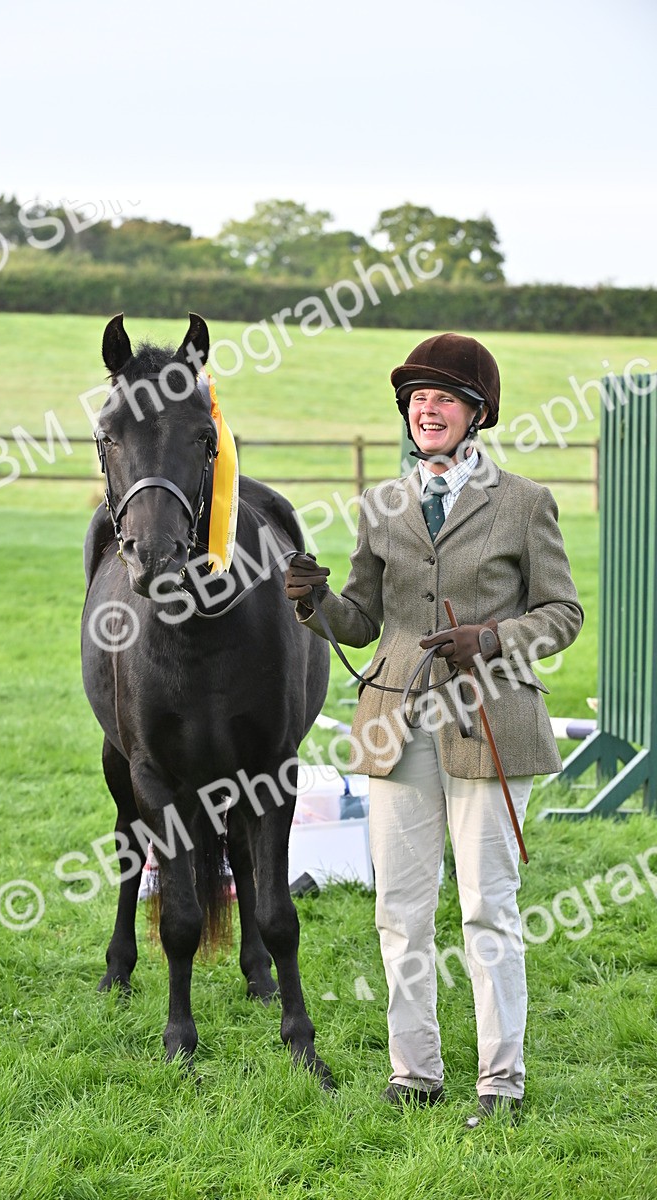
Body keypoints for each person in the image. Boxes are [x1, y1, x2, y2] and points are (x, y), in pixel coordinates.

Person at [284, 333, 583, 1127]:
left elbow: (563, 613)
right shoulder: (381, 504)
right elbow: (360, 621)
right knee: (399, 909)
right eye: (417, 399)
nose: (427, 409)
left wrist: (491, 639)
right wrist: (313, 602)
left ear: (477, 413)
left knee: (488, 906)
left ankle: (501, 1083)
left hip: (490, 721)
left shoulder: (524, 502)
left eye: (443, 398)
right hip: (395, 721)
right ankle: (414, 1071)